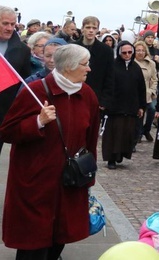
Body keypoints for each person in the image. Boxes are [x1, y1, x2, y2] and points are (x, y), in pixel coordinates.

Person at [0, 44, 99, 259]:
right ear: (69, 67)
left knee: (59, 238)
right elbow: (6, 131)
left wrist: (89, 176)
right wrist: (38, 122)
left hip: (70, 182)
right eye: (85, 64)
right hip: (35, 183)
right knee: (33, 243)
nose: (89, 69)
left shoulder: (88, 94)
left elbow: (90, 140)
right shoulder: (34, 91)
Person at [101, 40, 147, 169]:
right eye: (124, 53)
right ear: (119, 53)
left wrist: (141, 106)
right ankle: (111, 159)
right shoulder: (113, 66)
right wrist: (105, 102)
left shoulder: (136, 67)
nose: (127, 55)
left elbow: (141, 88)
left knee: (126, 132)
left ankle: (120, 155)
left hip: (131, 106)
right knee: (113, 133)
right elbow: (107, 84)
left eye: (130, 52)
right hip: (114, 106)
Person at [0, 5, 32, 154]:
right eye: (5, 23)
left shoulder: (23, 50)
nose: (9, 28)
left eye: (13, 24)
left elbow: (25, 81)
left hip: (4, 111)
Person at [134, 40, 158, 143]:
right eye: (138, 50)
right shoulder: (132, 63)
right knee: (139, 114)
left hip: (148, 93)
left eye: (142, 50)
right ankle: (137, 135)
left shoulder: (151, 64)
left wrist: (152, 91)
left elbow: (154, 79)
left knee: (152, 109)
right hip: (135, 93)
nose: (140, 52)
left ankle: (146, 129)